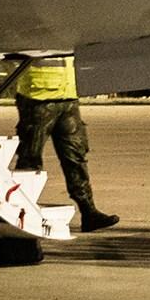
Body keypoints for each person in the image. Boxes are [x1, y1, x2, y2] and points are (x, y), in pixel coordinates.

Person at [13, 56, 118, 232]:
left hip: (68, 95)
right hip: (38, 96)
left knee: (75, 156)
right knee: (30, 159)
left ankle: (88, 211)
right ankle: (20, 211)